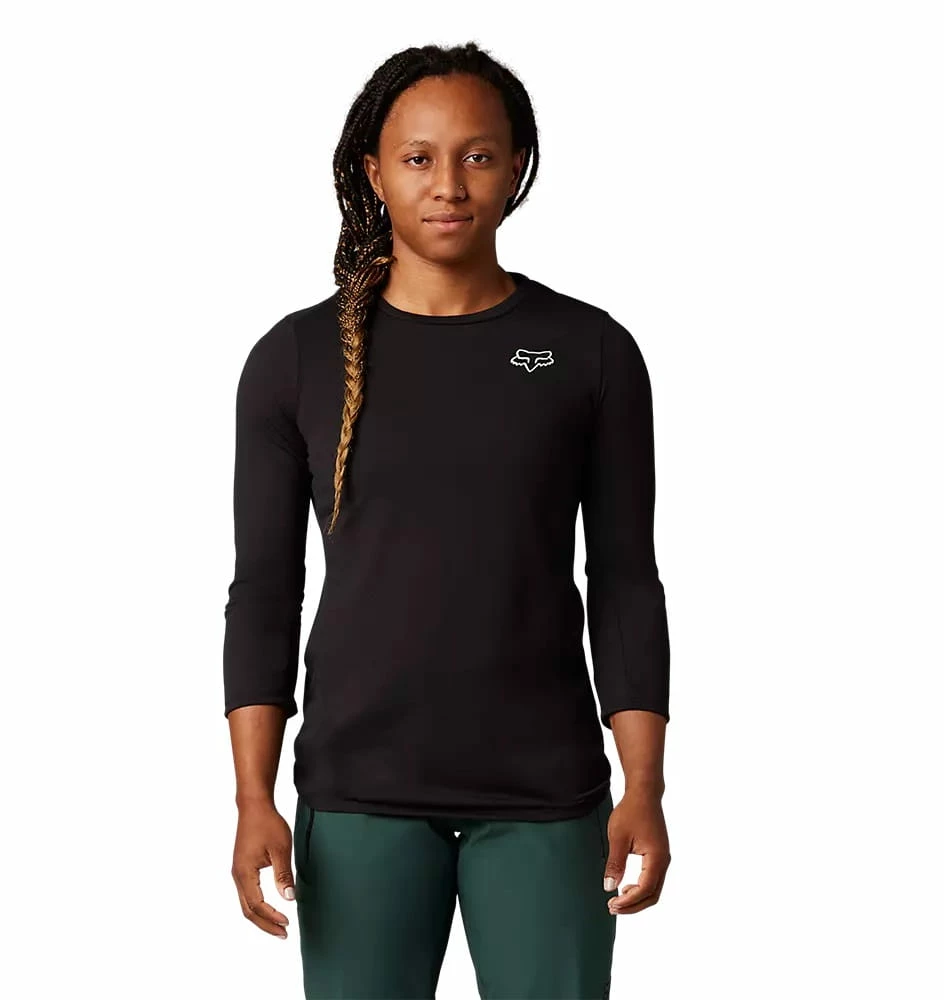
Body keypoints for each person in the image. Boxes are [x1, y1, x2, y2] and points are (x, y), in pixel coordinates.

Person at [222, 41, 671, 1000]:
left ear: (517, 167)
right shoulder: (295, 359)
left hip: (547, 794)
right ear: (373, 171)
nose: (449, 185)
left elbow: (626, 580)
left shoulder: (587, 351)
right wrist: (253, 796)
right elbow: (263, 593)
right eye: (419, 158)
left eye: (478, 155)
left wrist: (645, 785)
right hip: (360, 791)